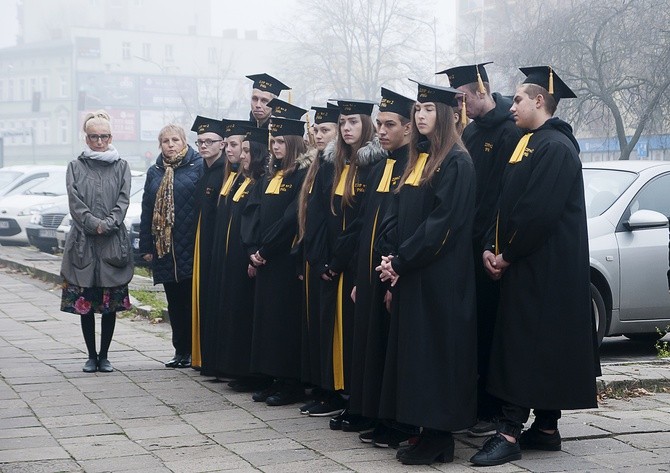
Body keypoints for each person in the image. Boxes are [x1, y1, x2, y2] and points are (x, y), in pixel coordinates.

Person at [470, 67, 599, 467]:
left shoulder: (555, 147)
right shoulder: (530, 142)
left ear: (539, 101)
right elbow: (505, 202)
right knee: (536, 345)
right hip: (528, 264)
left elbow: (536, 212)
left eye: (520, 99)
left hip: (543, 268)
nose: (513, 106)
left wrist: (506, 254)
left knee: (523, 347)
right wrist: (493, 246)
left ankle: (508, 432)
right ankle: (545, 428)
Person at [375, 80, 477, 465]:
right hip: (413, 272)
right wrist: (391, 257)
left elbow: (443, 224)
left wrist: (402, 260)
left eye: (428, 109)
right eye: (418, 109)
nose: (420, 115)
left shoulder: (457, 162)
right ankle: (421, 430)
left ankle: (439, 437)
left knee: (437, 355)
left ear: (447, 115)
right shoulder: (418, 159)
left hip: (441, 278)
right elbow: (397, 212)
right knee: (416, 355)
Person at [439, 62, 524, 436]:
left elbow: (504, 196)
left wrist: (493, 243)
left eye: (462, 99)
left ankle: (491, 410)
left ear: (480, 91)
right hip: (467, 244)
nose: (460, 108)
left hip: (490, 245)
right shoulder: (471, 133)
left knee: (491, 327)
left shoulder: (509, 130)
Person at [305, 99, 386, 425]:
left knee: (355, 333)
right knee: (334, 330)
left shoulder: (373, 165)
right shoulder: (332, 164)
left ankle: (357, 399)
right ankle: (336, 392)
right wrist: (322, 258)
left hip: (354, 264)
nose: (347, 128)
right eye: (343, 123)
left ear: (366, 125)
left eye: (353, 121)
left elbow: (361, 223)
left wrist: (340, 261)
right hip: (331, 264)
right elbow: (321, 216)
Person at [345, 88, 416, 447]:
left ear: (408, 128)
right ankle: (379, 415)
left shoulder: (411, 165)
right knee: (373, 347)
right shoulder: (381, 166)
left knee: (391, 348)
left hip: (393, 271)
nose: (382, 131)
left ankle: (400, 422)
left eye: (390, 124)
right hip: (372, 272)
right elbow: (365, 224)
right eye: (380, 125)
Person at [241, 117, 315, 406]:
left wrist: (267, 249)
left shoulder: (301, 175)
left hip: (284, 259)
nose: (275, 145)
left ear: (295, 143)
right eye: (273, 141)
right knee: (267, 321)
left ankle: (290, 382)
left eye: (281, 140)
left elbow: (291, 219)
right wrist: (252, 249)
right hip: (265, 260)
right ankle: (272, 376)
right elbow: (252, 212)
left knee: (285, 322)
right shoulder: (272, 177)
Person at [61, 110, 134, 373]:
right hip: (83, 243)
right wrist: (93, 223)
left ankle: (105, 355)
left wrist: (110, 223)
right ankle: (91, 354)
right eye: (94, 137)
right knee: (87, 303)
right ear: (87, 138)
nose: (99, 141)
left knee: (109, 303)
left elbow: (123, 200)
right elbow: (75, 201)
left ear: (111, 136)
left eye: (104, 136)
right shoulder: (75, 166)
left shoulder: (121, 165)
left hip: (113, 242)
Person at [139, 124, 203, 369]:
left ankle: (195, 351)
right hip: (165, 249)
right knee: (174, 303)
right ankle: (180, 351)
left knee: (191, 301)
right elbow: (147, 209)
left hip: (190, 244)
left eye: (175, 139)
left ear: (184, 141)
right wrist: (146, 245)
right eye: (165, 141)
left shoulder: (197, 166)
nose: (170, 144)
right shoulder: (155, 171)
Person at [211, 125, 270, 391]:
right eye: (241, 149)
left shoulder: (258, 183)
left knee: (244, 314)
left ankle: (247, 371)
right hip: (231, 259)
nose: (242, 155)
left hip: (245, 259)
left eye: (246, 150)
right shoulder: (241, 179)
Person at [296, 103, 340, 412]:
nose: (318, 134)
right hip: (316, 254)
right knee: (318, 327)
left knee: (330, 327)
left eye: (325, 129)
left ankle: (332, 391)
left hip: (330, 258)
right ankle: (322, 387)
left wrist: (327, 258)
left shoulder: (336, 164)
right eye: (317, 129)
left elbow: (332, 217)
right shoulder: (319, 163)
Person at [190, 116, 226, 375]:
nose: (203, 146)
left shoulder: (224, 171)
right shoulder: (202, 170)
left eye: (209, 141)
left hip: (215, 244)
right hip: (201, 243)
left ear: (222, 144)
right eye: (200, 142)